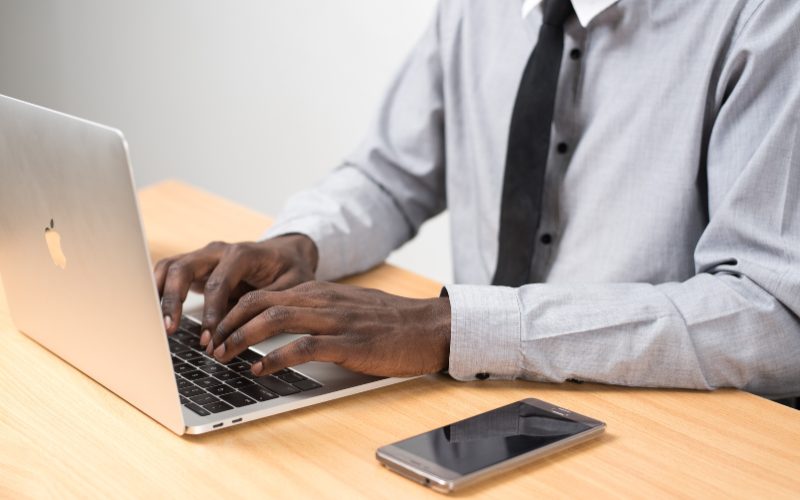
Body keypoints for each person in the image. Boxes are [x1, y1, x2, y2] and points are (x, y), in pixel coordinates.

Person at [155, 0, 800, 400]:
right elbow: (391, 173)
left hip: (659, 418)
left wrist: (449, 327)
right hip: (476, 395)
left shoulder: (765, 16)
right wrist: (302, 243)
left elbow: (770, 314)